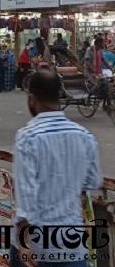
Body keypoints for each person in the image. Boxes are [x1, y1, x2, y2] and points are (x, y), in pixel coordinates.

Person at [11, 71, 101, 267]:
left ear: (32, 99)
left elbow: (26, 197)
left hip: (37, 245)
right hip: (72, 244)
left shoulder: (27, 137)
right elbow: (93, 181)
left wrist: (23, 244)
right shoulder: (84, 136)